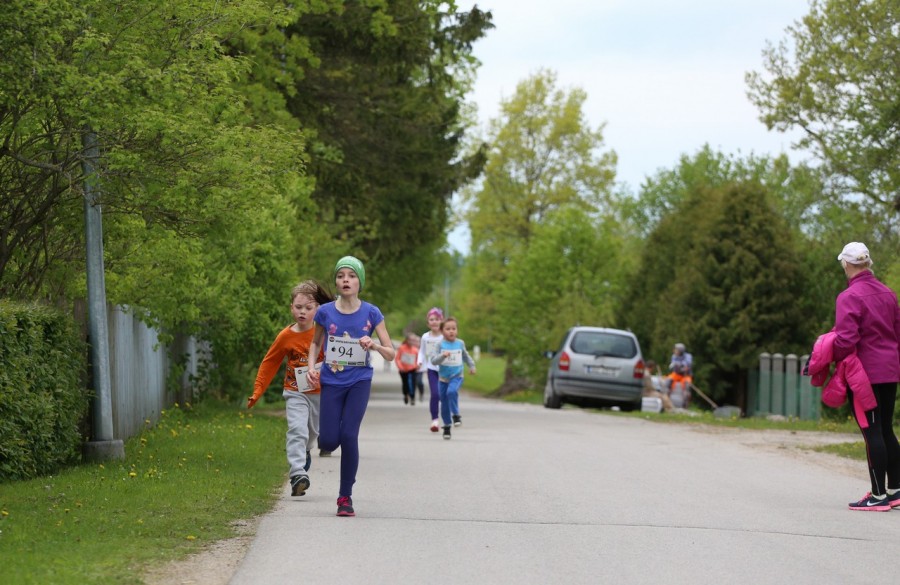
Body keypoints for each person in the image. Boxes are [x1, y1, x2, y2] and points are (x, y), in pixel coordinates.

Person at [307, 256, 395, 517]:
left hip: (359, 381)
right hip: (331, 381)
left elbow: (391, 353)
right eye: (341, 275)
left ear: (360, 282)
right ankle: (322, 443)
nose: (346, 280)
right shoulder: (325, 312)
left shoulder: (372, 313)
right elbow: (315, 343)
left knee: (349, 435)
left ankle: (345, 496)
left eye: (351, 275)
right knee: (328, 440)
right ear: (336, 282)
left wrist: (374, 345)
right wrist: (312, 367)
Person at [247, 280, 333, 498]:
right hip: (295, 392)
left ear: (318, 309)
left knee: (312, 434)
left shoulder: (325, 333)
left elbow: (337, 359)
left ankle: (305, 452)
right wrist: (258, 391)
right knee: (297, 429)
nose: (302, 312)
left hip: (320, 394)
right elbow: (269, 363)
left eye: (308, 307)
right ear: (291, 307)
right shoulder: (286, 336)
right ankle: (297, 474)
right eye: (298, 307)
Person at [831, 242, 900, 511]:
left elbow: (846, 340)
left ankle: (878, 495)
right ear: (867, 263)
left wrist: (827, 354)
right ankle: (895, 490)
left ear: (846, 264)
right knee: (886, 429)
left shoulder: (848, 297)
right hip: (890, 370)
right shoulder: (888, 293)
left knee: (872, 432)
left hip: (864, 375)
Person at [430, 317, 476, 440]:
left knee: (452, 392)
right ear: (441, 331)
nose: (451, 331)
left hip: (457, 375)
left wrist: (472, 366)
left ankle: (456, 414)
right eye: (448, 329)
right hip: (443, 379)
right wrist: (442, 356)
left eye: (454, 329)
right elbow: (433, 361)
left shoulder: (460, 343)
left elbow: (466, 356)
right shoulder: (439, 345)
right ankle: (447, 426)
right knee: (444, 403)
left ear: (457, 330)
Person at [417, 307, 445, 432]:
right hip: (432, 369)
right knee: (435, 394)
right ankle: (435, 420)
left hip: (445, 369)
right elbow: (422, 352)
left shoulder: (445, 336)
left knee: (444, 395)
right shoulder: (425, 337)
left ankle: (447, 417)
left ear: (442, 321)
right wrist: (419, 361)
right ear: (428, 323)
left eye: (437, 319)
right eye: (431, 319)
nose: (434, 322)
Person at [395, 332, 419, 405]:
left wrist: (417, 366)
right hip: (403, 369)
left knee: (413, 383)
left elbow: (418, 360)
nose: (412, 342)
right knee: (405, 383)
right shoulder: (402, 348)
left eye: (413, 340)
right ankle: (406, 395)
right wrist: (400, 367)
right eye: (411, 340)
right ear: (407, 340)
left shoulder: (415, 349)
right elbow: (397, 359)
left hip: (412, 369)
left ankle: (412, 397)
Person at [667, 343, 693, 408]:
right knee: (668, 381)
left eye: (676, 350)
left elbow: (687, 364)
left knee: (687, 386)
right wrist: (675, 365)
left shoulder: (688, 356)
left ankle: (685, 405)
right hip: (677, 374)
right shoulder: (674, 356)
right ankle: (667, 400)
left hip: (686, 375)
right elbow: (673, 364)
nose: (675, 351)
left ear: (681, 351)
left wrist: (680, 365)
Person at [412, 334, 426, 403]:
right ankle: (412, 397)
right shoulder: (410, 349)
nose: (416, 343)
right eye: (414, 341)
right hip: (411, 369)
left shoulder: (422, 350)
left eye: (417, 341)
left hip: (419, 369)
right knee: (412, 383)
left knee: (419, 381)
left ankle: (421, 393)